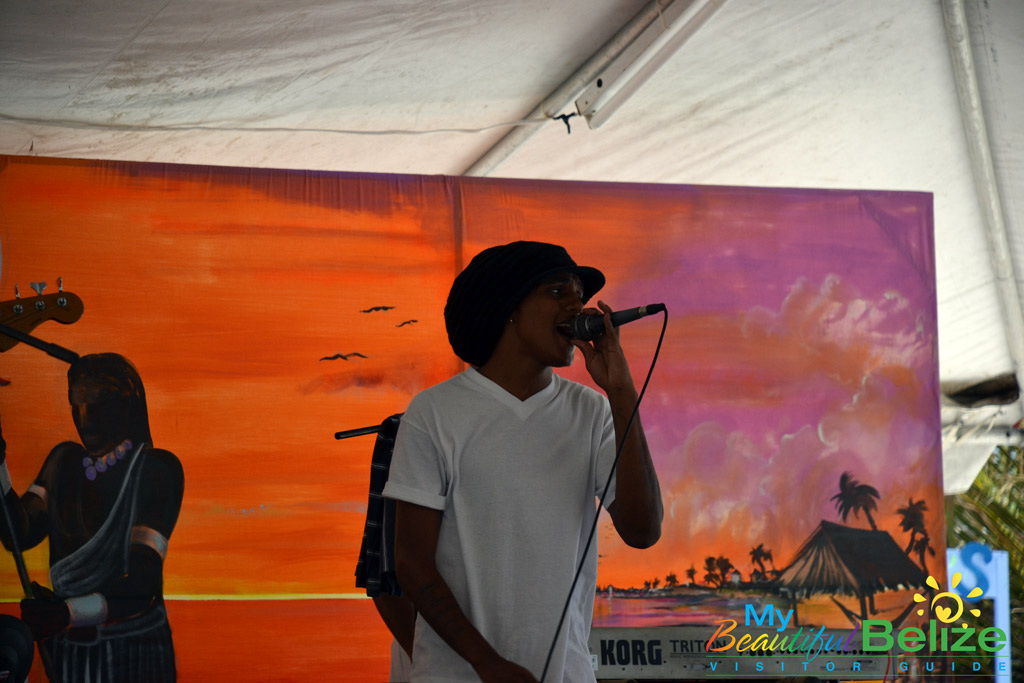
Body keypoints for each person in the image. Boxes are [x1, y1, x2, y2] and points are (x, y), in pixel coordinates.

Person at [383, 241, 663, 682]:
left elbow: (643, 532)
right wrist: (486, 663)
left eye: (579, 295)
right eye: (557, 291)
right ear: (508, 309)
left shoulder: (591, 411)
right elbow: (412, 563)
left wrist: (621, 392)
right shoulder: (434, 413)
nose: (577, 307)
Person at [0, 352, 184, 682]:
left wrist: (65, 612)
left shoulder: (156, 469)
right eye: (76, 406)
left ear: (125, 406)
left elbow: (141, 583)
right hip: (71, 653)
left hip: (132, 654)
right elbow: (19, 534)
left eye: (96, 406)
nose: (83, 419)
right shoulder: (62, 461)